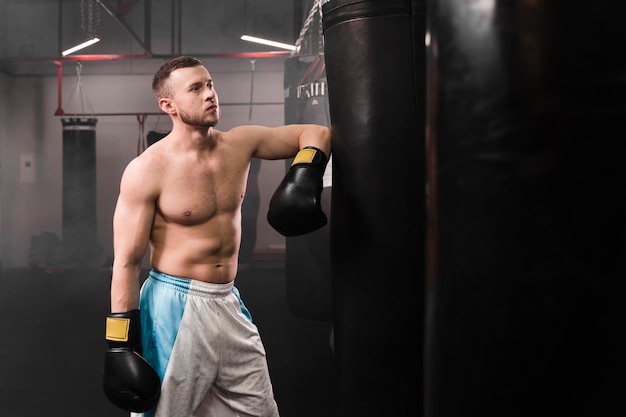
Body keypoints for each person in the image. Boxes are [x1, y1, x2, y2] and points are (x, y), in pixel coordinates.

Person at [102, 55, 331, 417]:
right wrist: (119, 345)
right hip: (175, 305)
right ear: (169, 105)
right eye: (196, 88)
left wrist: (305, 172)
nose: (210, 94)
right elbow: (127, 262)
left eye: (210, 84)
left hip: (227, 300)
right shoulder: (148, 169)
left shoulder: (239, 144)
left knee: (261, 411)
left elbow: (316, 133)